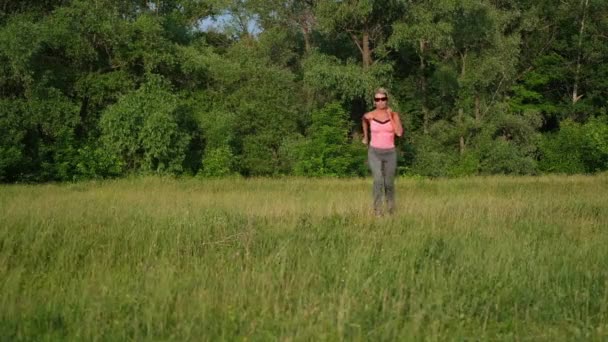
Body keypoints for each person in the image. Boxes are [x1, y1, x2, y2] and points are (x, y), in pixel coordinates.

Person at [362, 88, 403, 216]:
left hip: (390, 152)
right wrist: (365, 136)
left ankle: (391, 209)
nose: (380, 102)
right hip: (374, 152)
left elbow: (399, 133)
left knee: (389, 183)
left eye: (383, 99)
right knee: (378, 180)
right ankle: (377, 211)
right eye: (377, 99)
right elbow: (363, 119)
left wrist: (390, 116)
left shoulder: (394, 115)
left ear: (387, 100)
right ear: (374, 102)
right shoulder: (370, 116)